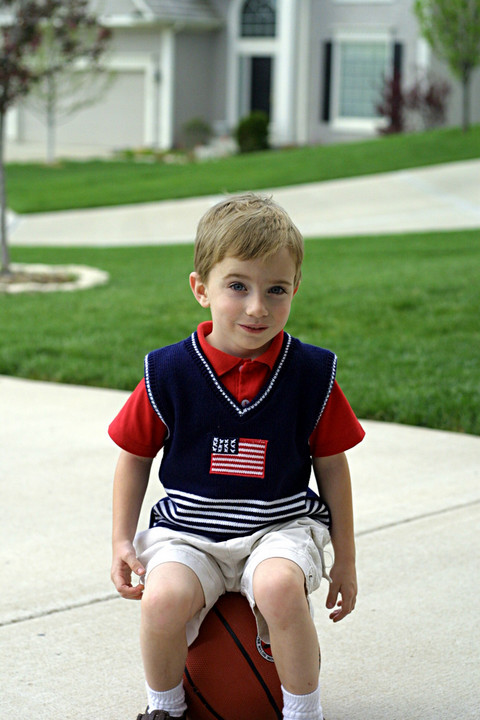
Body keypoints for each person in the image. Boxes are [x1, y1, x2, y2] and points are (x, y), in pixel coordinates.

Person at [109, 193, 365, 720]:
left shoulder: (310, 375)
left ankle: (304, 711)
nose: (257, 307)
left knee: (279, 586)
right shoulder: (169, 373)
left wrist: (347, 558)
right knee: (162, 599)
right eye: (237, 286)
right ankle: (164, 709)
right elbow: (133, 456)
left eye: (276, 289)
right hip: (189, 531)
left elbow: (332, 467)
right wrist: (121, 540)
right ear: (200, 288)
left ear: (295, 288)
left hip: (278, 527)